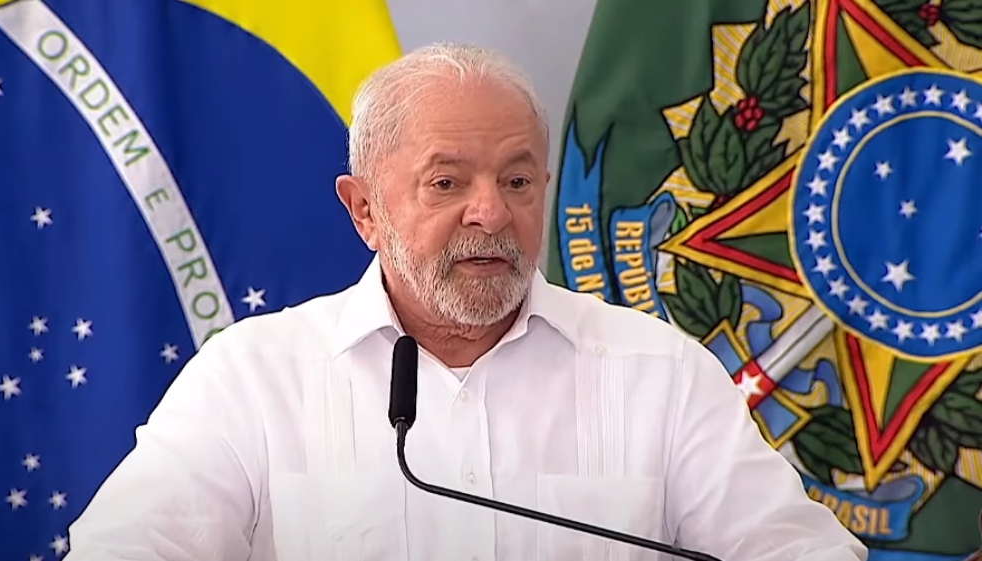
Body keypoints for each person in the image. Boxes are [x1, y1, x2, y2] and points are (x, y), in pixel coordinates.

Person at [65, 42, 868, 561]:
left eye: (517, 181)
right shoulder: (252, 377)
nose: (490, 212)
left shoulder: (658, 372)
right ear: (365, 210)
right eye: (446, 182)